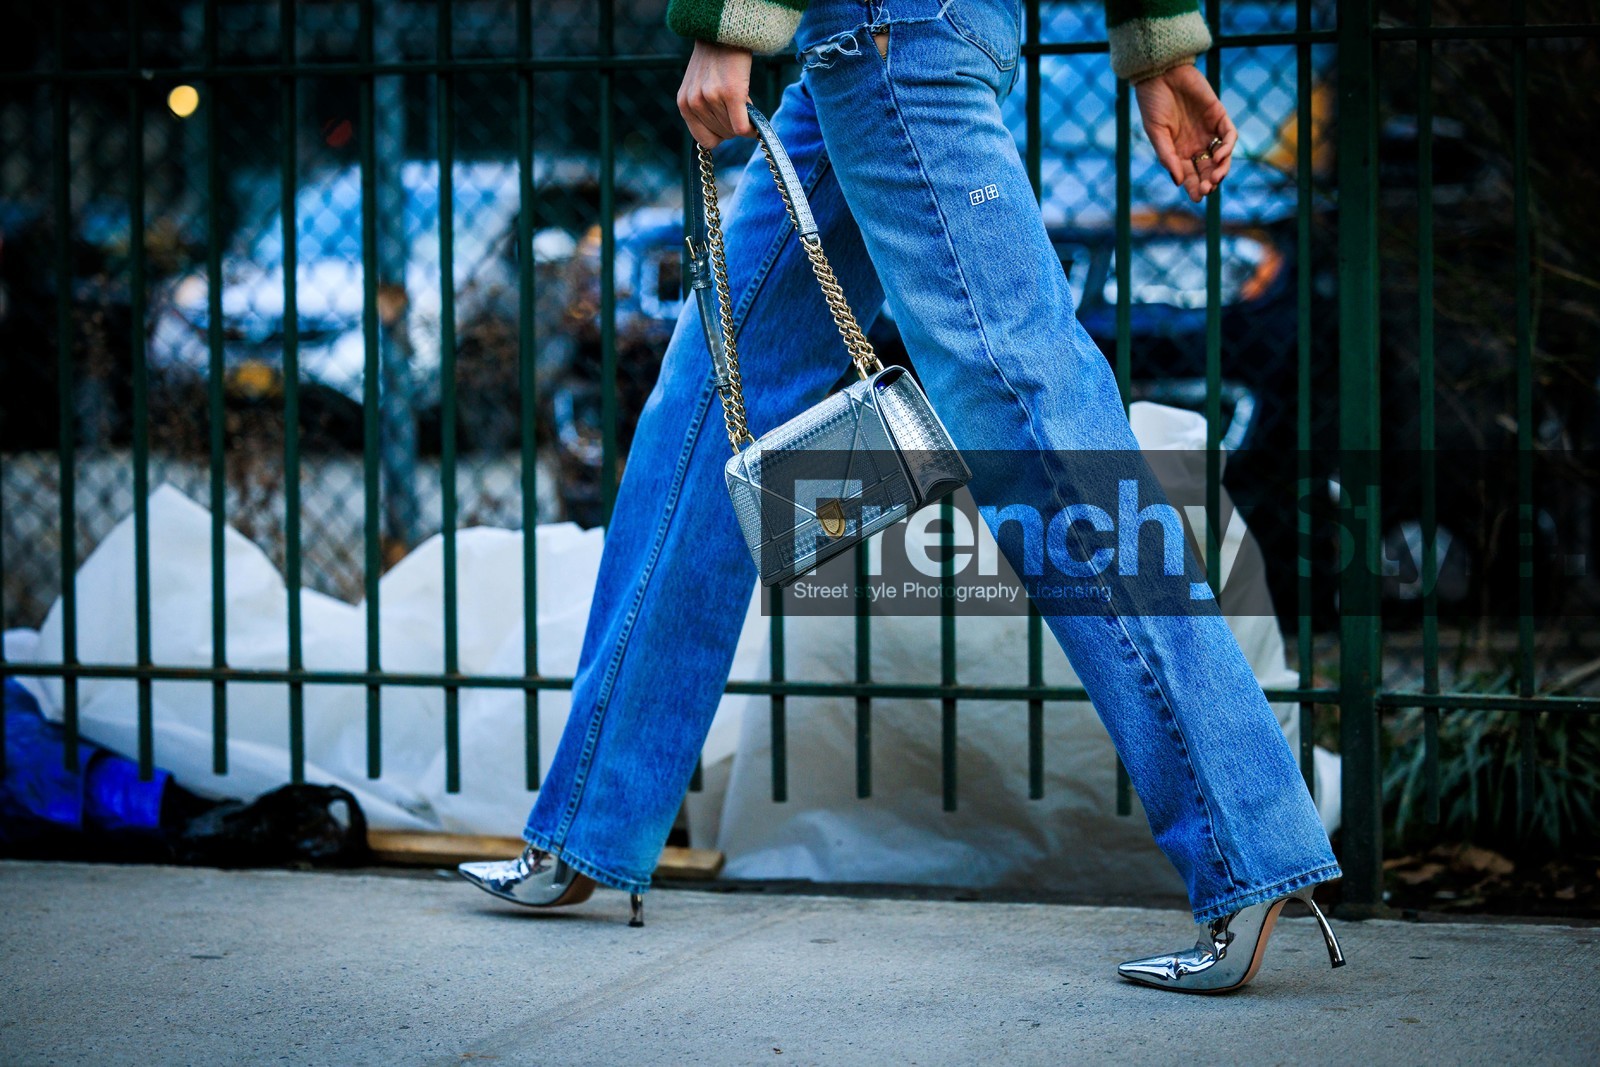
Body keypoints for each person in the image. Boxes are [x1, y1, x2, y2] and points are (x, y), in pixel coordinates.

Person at [460, 0, 1346, 993]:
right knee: (712, 399)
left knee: (1034, 420)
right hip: (867, 44)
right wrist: (1156, 43)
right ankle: (589, 826)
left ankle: (1249, 850)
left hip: (892, 34)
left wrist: (730, 20)